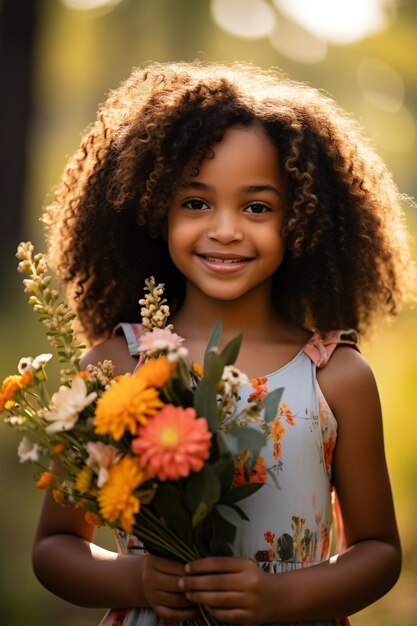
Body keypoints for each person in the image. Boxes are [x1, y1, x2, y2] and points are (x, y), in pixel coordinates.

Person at [32, 61, 416, 626]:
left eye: (257, 207)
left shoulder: (336, 377)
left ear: (302, 220)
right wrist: (136, 577)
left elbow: (379, 553)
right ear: (153, 208)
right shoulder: (114, 368)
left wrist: (280, 598)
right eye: (195, 203)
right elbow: (53, 547)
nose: (226, 229)